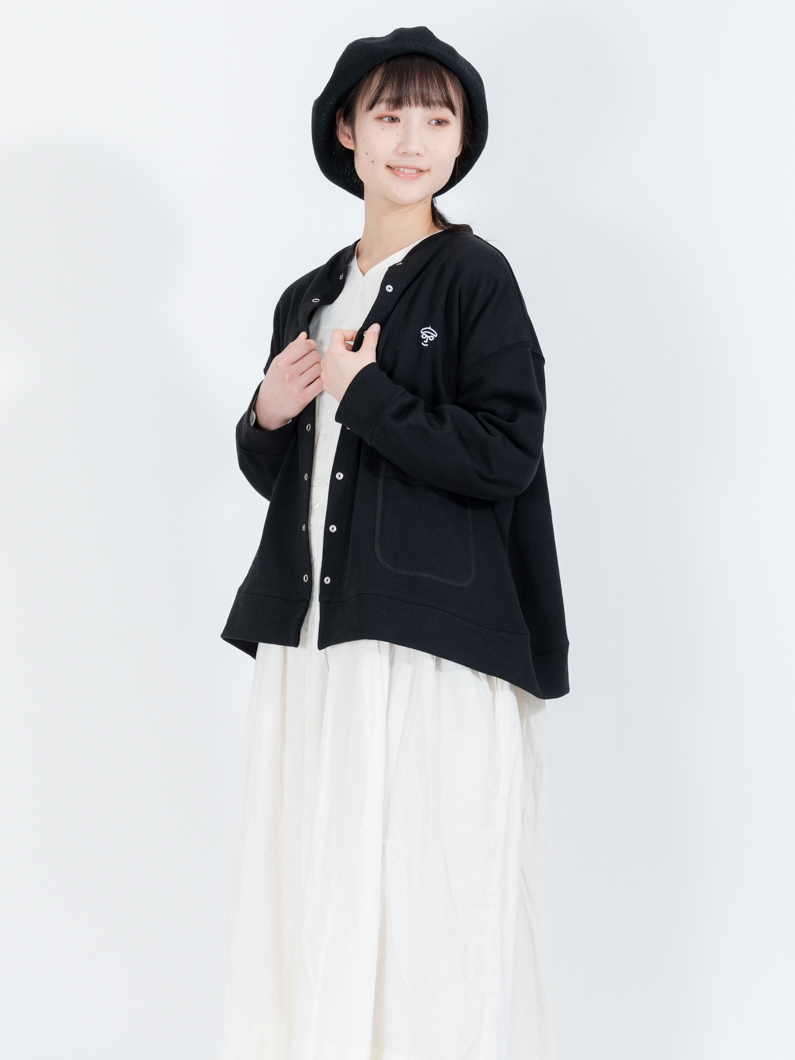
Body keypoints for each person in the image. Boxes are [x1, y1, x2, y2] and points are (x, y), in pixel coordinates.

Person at [218, 25, 570, 1060]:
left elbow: (507, 452)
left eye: (437, 118)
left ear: (462, 140)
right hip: (316, 647)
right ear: (347, 130)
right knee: (314, 899)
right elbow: (295, 479)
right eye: (389, 114)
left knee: (429, 908)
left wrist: (367, 393)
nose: (412, 140)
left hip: (430, 651)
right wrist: (267, 417)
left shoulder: (473, 276)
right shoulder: (309, 295)